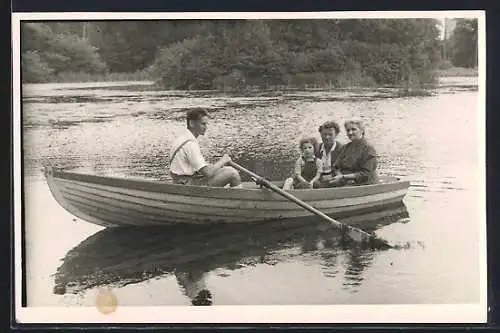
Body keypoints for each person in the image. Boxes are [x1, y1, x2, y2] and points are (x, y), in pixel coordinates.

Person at [168, 108, 242, 188]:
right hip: (187, 185)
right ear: (192, 123)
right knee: (232, 173)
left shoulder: (183, 137)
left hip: (181, 181)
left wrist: (217, 167)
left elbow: (201, 169)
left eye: (206, 124)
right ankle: (240, 198)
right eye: (203, 124)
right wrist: (223, 161)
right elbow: (208, 173)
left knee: (227, 169)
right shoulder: (190, 144)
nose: (206, 127)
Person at [328, 118, 378, 187]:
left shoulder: (368, 149)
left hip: (364, 184)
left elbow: (366, 174)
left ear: (362, 131)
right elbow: (336, 166)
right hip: (345, 181)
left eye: (353, 129)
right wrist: (339, 175)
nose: (350, 133)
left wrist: (344, 177)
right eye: (348, 130)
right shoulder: (345, 147)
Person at [313, 121, 344, 188]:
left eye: (330, 134)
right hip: (318, 182)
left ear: (336, 134)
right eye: (324, 134)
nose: (327, 137)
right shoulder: (316, 149)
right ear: (320, 134)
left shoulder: (342, 149)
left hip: (335, 183)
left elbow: (345, 170)